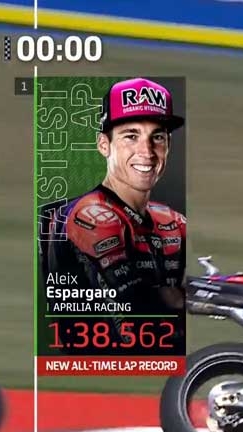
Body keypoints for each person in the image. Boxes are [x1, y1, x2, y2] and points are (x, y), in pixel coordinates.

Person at [42, 77, 187, 351]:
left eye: (157, 137)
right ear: (103, 145)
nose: (147, 152)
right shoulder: (91, 214)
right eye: (131, 136)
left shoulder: (172, 221)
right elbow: (136, 301)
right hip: (100, 365)